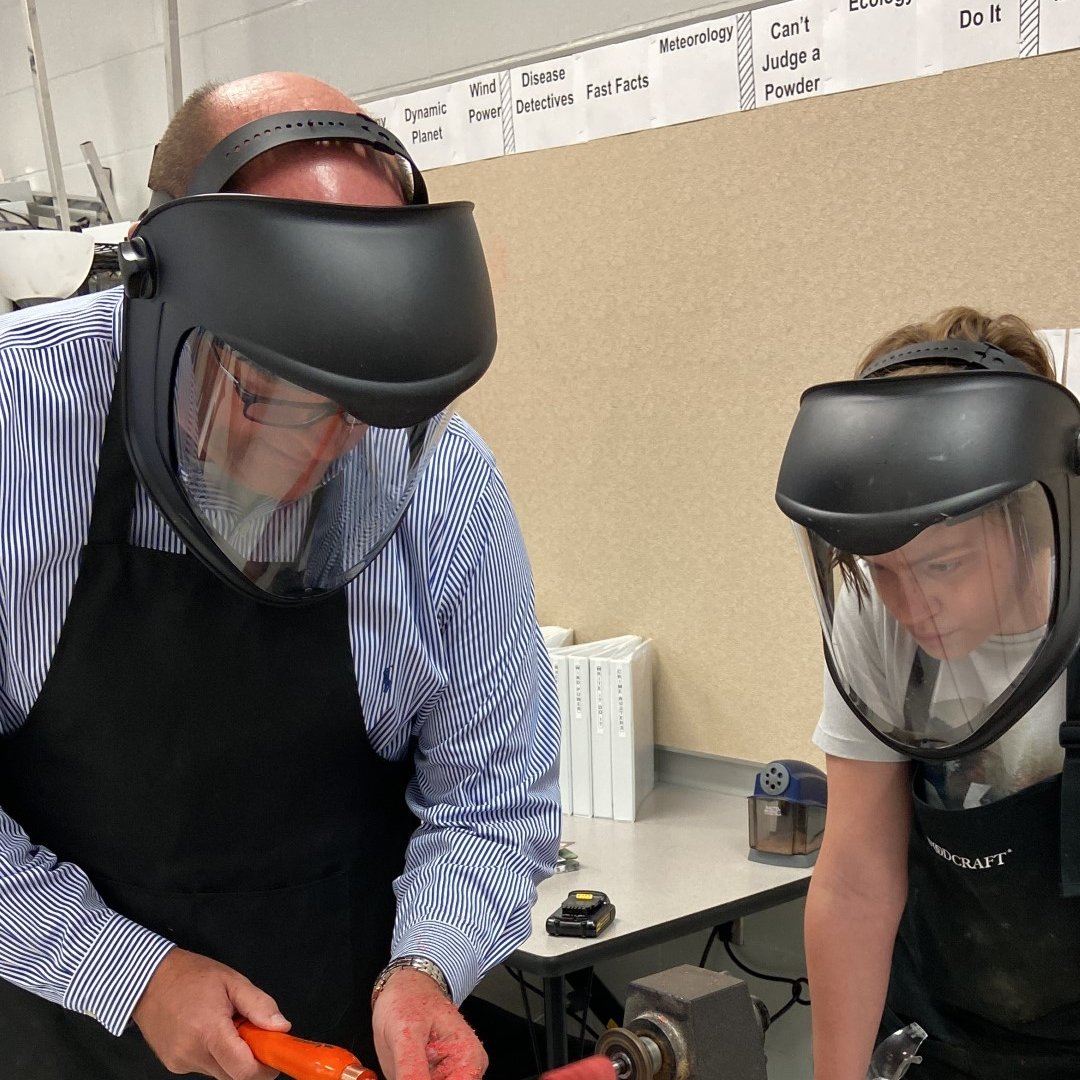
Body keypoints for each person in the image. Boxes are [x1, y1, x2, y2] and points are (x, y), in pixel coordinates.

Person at [0, 71, 561, 1080]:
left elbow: (494, 797)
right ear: (154, 296)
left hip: (338, 1039)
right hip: (61, 1039)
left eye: (356, 412)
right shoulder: (14, 427)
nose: (318, 454)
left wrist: (428, 968)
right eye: (264, 399)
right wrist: (131, 973)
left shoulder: (441, 469)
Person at [774, 307, 1080, 1080]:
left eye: (943, 566)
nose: (912, 606)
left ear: (1029, 521)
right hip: (940, 1026)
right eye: (884, 570)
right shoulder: (877, 615)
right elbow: (856, 880)